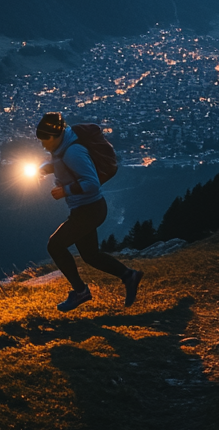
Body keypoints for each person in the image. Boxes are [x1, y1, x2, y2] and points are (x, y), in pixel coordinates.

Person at [36, 112, 143, 312]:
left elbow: (91, 182)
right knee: (90, 255)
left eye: (44, 140)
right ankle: (129, 276)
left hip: (89, 209)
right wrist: (45, 168)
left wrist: (64, 191)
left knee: (55, 245)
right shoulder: (63, 147)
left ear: (54, 136)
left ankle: (80, 292)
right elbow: (64, 166)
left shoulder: (72, 151)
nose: (42, 145)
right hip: (86, 209)